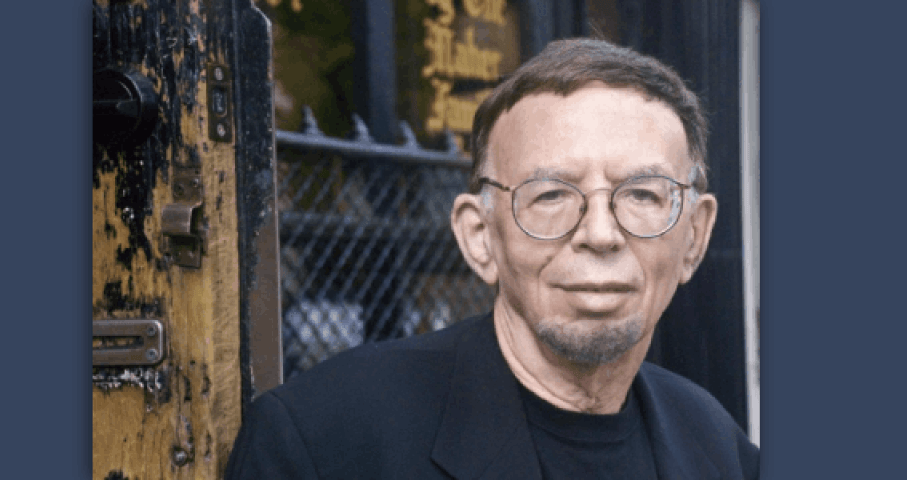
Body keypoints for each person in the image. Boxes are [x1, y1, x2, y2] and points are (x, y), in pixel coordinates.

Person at [225, 38, 759, 479]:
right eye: (550, 195)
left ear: (693, 236)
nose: (601, 234)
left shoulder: (721, 448)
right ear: (479, 237)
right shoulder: (323, 443)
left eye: (643, 194)